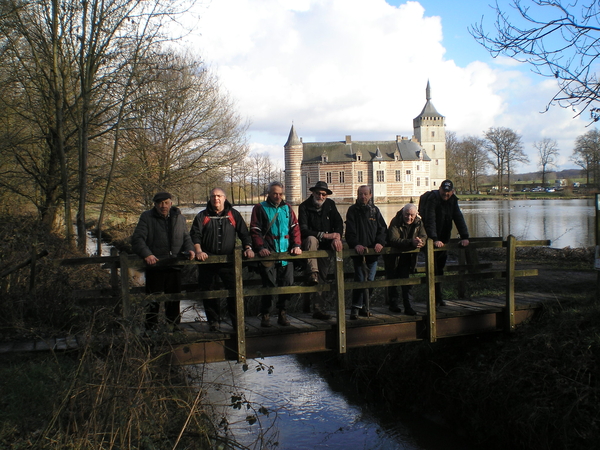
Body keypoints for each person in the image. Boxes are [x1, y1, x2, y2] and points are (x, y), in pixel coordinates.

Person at [190, 188, 255, 332]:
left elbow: (244, 233)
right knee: (209, 292)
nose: (216, 199)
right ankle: (213, 322)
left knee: (234, 292)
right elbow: (195, 235)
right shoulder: (202, 216)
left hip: (229, 262)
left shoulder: (233, 214)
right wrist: (199, 251)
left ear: (224, 198)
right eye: (213, 196)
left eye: (219, 196)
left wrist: (248, 248)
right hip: (208, 261)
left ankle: (237, 323)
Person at [131, 191, 195, 330]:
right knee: (153, 301)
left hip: (175, 265)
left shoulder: (179, 218)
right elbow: (137, 239)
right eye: (160, 203)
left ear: (171, 203)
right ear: (155, 204)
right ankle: (151, 329)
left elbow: (186, 238)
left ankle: (173, 327)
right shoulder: (147, 217)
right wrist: (147, 254)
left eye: (166, 202)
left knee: (173, 300)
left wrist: (190, 249)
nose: (163, 206)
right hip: (156, 266)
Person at [250, 181, 302, 327]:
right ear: (269, 193)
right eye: (275, 193)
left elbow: (295, 228)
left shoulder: (287, 208)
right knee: (269, 285)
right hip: (269, 253)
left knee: (287, 284)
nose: (278, 196)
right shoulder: (260, 208)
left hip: (286, 253)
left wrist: (297, 245)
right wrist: (260, 247)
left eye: (280, 193)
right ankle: (266, 315)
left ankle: (282, 313)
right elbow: (255, 230)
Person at [298, 181, 344, 320]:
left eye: (324, 194)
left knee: (322, 278)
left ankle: (319, 309)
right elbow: (303, 230)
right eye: (318, 193)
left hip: (325, 247)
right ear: (313, 193)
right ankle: (313, 271)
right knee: (312, 239)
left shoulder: (330, 205)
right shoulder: (304, 206)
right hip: (311, 245)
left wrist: (337, 237)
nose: (321, 196)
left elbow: (339, 223)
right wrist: (323, 235)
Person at [422, 179, 470, 306]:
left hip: (444, 237)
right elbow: (430, 220)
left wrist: (464, 236)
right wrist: (434, 239)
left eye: (448, 192)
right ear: (440, 189)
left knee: (440, 268)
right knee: (433, 269)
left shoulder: (453, 200)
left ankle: (438, 297)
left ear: (452, 191)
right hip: (432, 239)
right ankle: (432, 299)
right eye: (444, 191)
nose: (446, 194)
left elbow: (458, 217)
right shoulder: (433, 199)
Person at [345, 185, 387, 320]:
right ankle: (355, 308)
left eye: (365, 194)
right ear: (357, 195)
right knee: (360, 279)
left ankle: (365, 306)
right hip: (358, 253)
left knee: (371, 280)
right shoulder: (352, 211)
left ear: (370, 195)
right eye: (360, 194)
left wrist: (380, 242)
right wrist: (355, 244)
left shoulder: (375, 211)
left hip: (373, 253)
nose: (363, 196)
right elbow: (349, 232)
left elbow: (383, 229)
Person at [384, 203, 426, 315]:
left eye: (412, 215)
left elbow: (424, 236)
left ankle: (409, 307)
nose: (409, 217)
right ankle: (393, 305)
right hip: (393, 256)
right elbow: (393, 239)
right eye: (407, 215)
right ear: (403, 213)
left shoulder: (418, 222)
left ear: (416, 214)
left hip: (408, 256)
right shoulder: (395, 222)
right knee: (393, 281)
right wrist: (411, 242)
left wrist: (421, 242)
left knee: (407, 282)